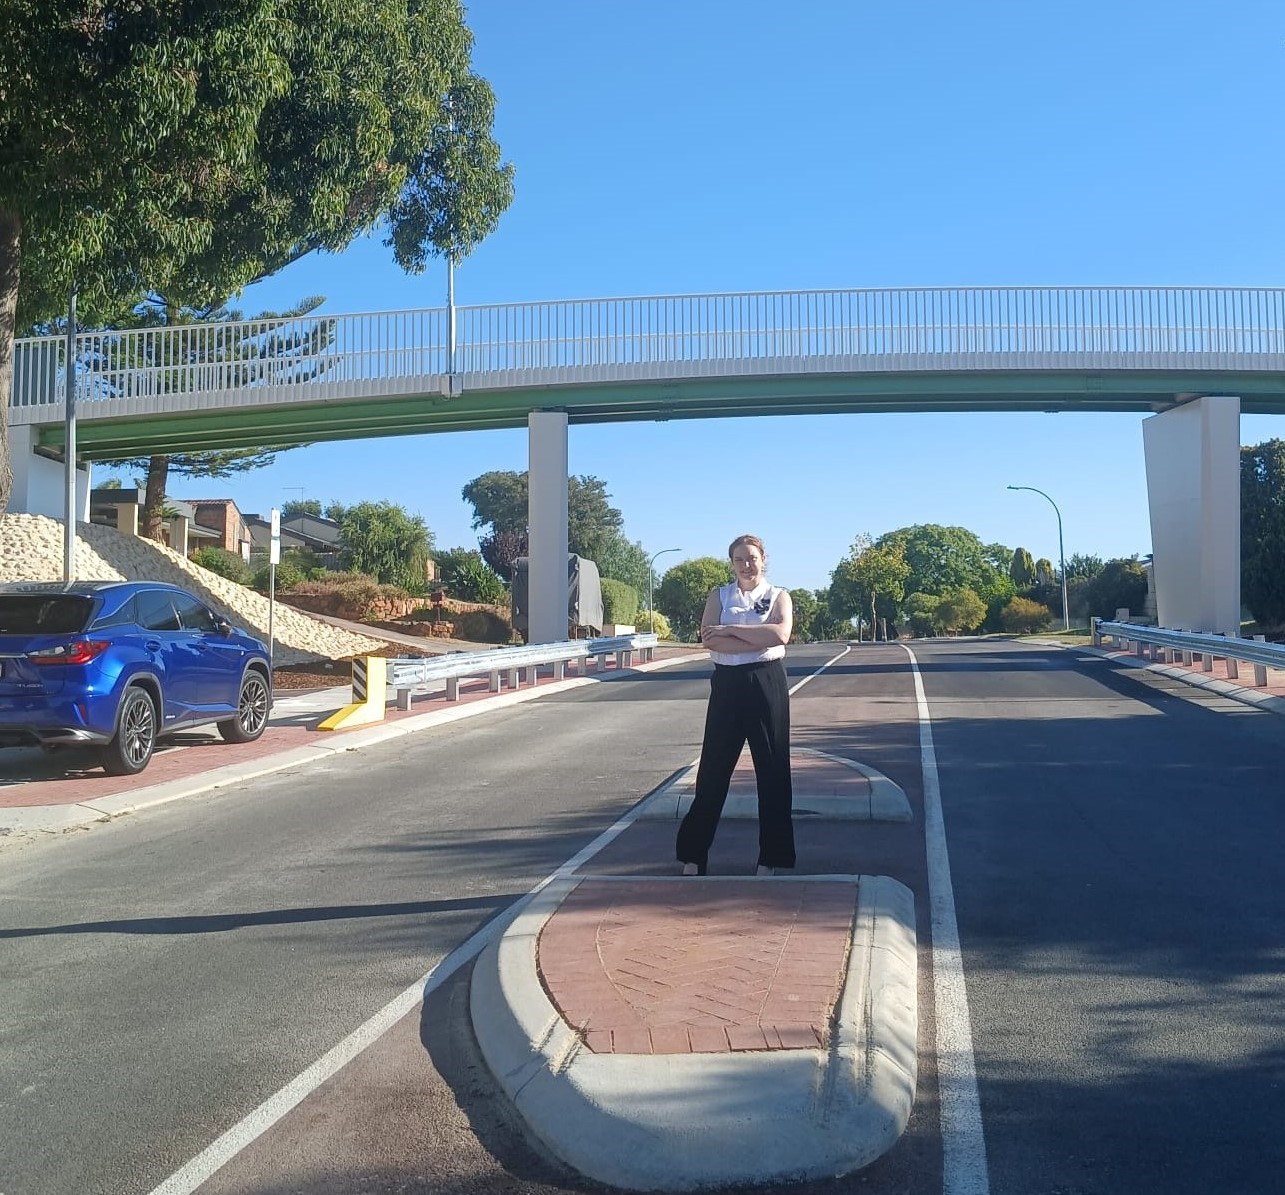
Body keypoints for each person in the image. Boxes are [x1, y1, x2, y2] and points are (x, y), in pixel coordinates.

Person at [676, 534, 795, 876]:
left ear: (763, 559)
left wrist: (729, 630)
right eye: (739, 559)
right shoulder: (719, 596)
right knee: (713, 770)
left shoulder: (779, 597)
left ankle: (772, 858)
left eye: (752, 558)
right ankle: (694, 855)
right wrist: (751, 635)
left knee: (772, 771)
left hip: (766, 682)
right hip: (726, 685)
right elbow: (709, 639)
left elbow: (779, 636)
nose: (746, 565)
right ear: (731, 563)